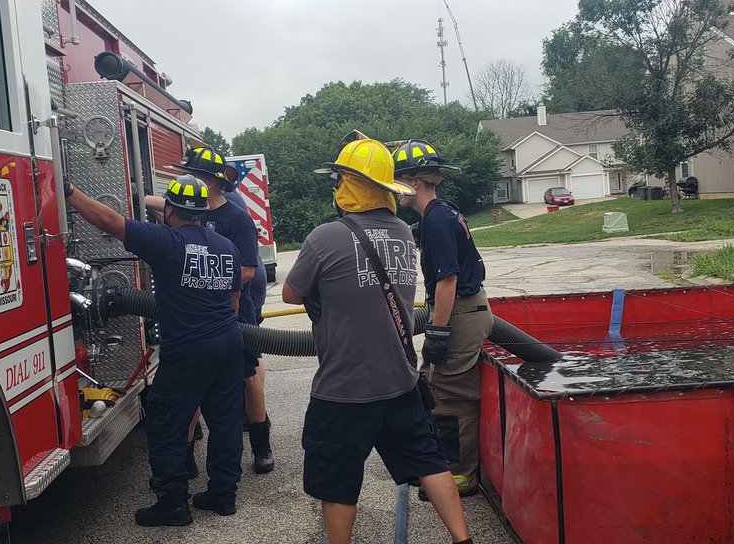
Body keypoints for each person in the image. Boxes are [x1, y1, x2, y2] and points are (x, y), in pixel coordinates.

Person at [283, 136, 473, 544]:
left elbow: (290, 294)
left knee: (338, 483)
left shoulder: (325, 236)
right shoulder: (405, 232)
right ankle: (463, 538)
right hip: (399, 380)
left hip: (343, 388)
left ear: (349, 184)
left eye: (340, 180)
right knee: (429, 460)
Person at [66, 173, 245, 526]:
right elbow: (234, 301)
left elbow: (109, 221)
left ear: (169, 209)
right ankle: (224, 496)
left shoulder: (166, 241)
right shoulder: (227, 246)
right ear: (203, 211)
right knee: (225, 421)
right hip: (228, 340)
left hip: (189, 348)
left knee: (165, 422)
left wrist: (69, 191)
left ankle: (173, 504)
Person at [144, 147, 275, 474]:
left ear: (212, 182)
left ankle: (262, 445)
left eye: (194, 175)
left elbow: (247, 269)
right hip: (195, 318)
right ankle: (186, 459)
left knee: (247, 378)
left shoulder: (235, 218)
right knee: (195, 392)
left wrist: (207, 279)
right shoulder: (190, 211)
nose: (185, 179)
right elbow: (154, 203)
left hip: (233, 314)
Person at [392, 140, 494, 501]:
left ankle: (462, 476)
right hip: (462, 309)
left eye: (397, 180)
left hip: (460, 311)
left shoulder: (435, 218)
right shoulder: (442, 212)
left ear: (415, 182)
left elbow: (448, 279)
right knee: (438, 388)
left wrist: (437, 331)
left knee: (454, 396)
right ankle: (446, 468)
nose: (394, 188)